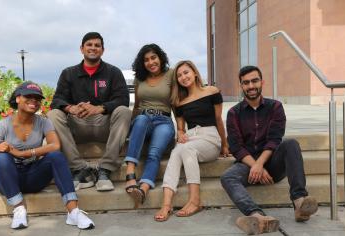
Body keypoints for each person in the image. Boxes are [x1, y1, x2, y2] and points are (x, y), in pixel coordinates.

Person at [220, 65, 318, 235]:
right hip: (246, 165)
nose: (251, 86)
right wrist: (255, 166)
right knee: (228, 177)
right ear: (241, 86)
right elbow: (236, 147)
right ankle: (257, 216)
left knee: (291, 144)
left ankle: (300, 203)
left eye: (254, 81)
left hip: (273, 163)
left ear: (262, 82)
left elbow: (275, 139)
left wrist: (261, 164)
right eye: (246, 83)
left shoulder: (275, 107)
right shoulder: (233, 113)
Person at [0, 81, 94, 230]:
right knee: (1, 158)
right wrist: (0, 149)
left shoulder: (44, 122)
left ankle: (73, 212)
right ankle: (19, 209)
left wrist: (22, 153)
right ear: (17, 98)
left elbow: (55, 145)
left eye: (37, 98)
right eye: (28, 96)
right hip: (7, 180)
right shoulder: (2, 125)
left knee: (56, 156)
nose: (34, 101)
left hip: (33, 177)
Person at [48, 32, 132, 192]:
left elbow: (123, 99)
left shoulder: (113, 72)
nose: (93, 48)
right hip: (77, 125)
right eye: (89, 45)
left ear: (102, 50)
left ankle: (105, 169)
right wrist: (70, 108)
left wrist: (99, 108)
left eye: (97, 45)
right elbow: (57, 100)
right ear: (82, 48)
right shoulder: (69, 73)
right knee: (53, 114)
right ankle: (79, 169)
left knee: (124, 111)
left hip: (104, 125)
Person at [154, 60, 229, 222]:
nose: (183, 77)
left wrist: (224, 144)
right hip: (192, 137)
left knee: (185, 150)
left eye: (186, 72)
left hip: (210, 138)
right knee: (176, 152)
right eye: (179, 75)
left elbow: (218, 120)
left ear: (195, 73)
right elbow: (180, 128)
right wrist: (180, 134)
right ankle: (166, 204)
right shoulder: (180, 102)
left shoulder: (211, 91)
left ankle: (195, 201)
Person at [124, 44, 175, 208]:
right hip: (144, 118)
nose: (150, 62)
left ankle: (143, 189)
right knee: (140, 120)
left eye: (153, 57)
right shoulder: (140, 78)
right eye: (146, 60)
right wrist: (128, 132)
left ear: (160, 57)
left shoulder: (171, 74)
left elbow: (177, 103)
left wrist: (181, 129)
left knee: (154, 154)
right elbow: (137, 106)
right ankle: (130, 173)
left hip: (164, 121)